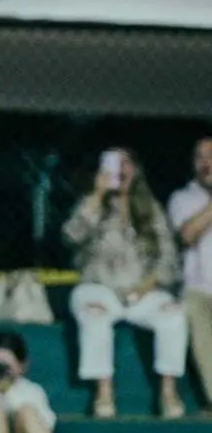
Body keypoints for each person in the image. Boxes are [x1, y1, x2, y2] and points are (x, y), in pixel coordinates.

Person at [63, 147, 186, 419]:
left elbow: (169, 258)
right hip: (99, 287)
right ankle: (104, 393)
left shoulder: (151, 209)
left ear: (136, 169)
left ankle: (169, 392)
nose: (120, 169)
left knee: (173, 315)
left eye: (126, 163)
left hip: (141, 292)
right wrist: (97, 194)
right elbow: (71, 236)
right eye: (113, 164)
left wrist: (149, 284)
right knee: (94, 315)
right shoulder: (92, 204)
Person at [168, 137, 212, 411]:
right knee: (199, 315)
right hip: (200, 289)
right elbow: (187, 235)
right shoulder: (182, 198)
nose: (206, 162)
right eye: (201, 157)